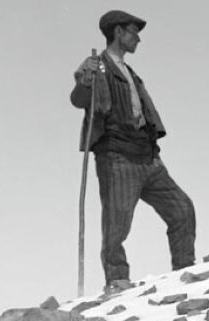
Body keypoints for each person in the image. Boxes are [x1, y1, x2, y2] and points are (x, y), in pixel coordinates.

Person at [70, 10, 196, 292]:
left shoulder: (131, 73)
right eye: (133, 32)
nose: (138, 39)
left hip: (147, 156)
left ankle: (185, 270)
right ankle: (117, 281)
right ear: (118, 32)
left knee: (182, 209)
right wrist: (86, 78)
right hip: (117, 156)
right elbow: (78, 99)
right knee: (116, 225)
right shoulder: (97, 66)